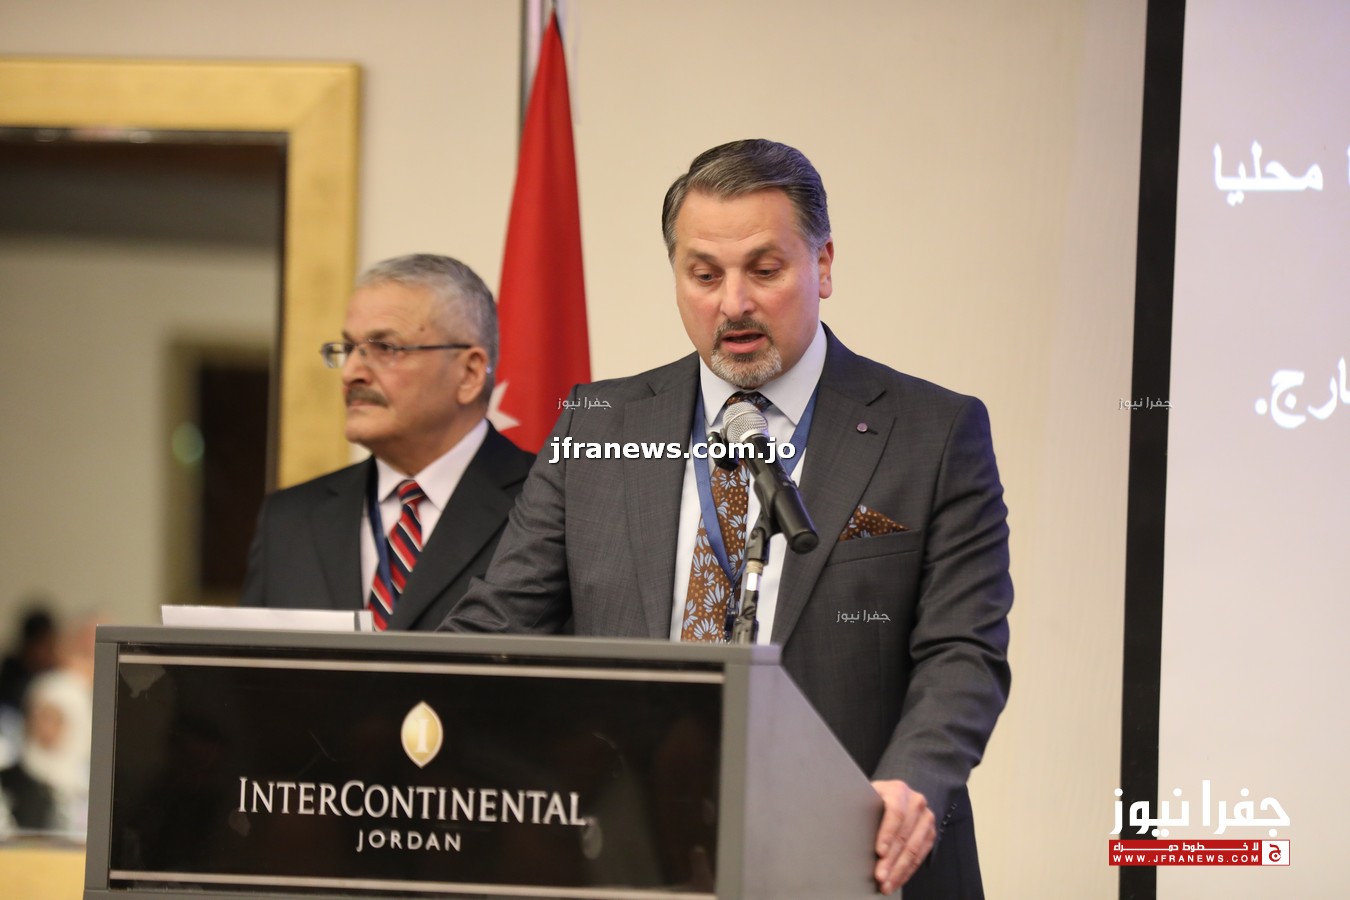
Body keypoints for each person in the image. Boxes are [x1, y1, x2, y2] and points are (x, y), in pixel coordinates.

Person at [442, 140, 1012, 897]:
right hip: (631, 857)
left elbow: (963, 649)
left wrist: (915, 779)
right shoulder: (598, 423)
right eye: (704, 275)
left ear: (824, 265)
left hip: (854, 857)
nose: (733, 303)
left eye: (764, 270)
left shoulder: (932, 433)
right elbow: (497, 627)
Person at [242, 254, 535, 631]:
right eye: (348, 348)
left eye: (385, 348)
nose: (351, 373)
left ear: (469, 373)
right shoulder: (288, 521)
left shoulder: (549, 508)